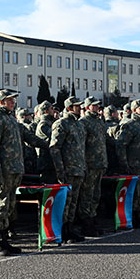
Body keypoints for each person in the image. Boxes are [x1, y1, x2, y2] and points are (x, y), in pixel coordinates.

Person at [0, 89, 27, 256]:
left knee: (9, 206)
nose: (13, 102)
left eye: (13, 100)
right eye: (9, 100)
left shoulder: (11, 120)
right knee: (0, 204)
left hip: (15, 169)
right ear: (0, 102)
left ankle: (4, 240)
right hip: (4, 170)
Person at [50, 96, 88, 241]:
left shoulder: (78, 125)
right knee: (65, 202)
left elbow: (81, 148)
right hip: (68, 169)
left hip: (78, 169)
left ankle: (69, 228)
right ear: (69, 108)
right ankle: (62, 230)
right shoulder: (61, 124)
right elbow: (54, 148)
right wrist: (60, 171)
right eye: (77, 106)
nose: (80, 108)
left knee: (73, 202)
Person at [78, 97, 108, 235]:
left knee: (96, 193)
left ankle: (92, 218)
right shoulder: (84, 122)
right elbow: (81, 145)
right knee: (87, 194)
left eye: (98, 106)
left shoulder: (99, 121)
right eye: (94, 106)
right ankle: (85, 222)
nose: (97, 108)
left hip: (100, 163)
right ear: (88, 107)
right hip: (90, 163)